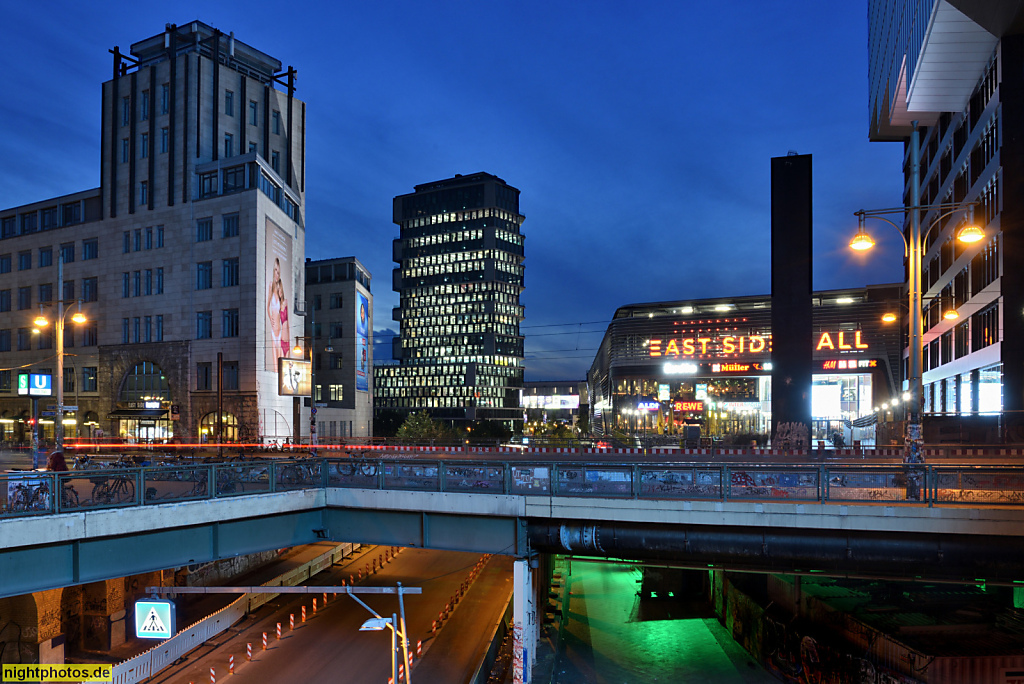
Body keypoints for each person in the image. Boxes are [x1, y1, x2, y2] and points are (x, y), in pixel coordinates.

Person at [267, 258, 288, 368]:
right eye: (275, 270)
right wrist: (271, 319)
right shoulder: (271, 286)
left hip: (279, 332)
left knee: (279, 367)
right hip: (273, 330)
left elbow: (284, 319)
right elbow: (267, 306)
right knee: (275, 363)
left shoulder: (283, 300)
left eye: (278, 272)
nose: (276, 273)